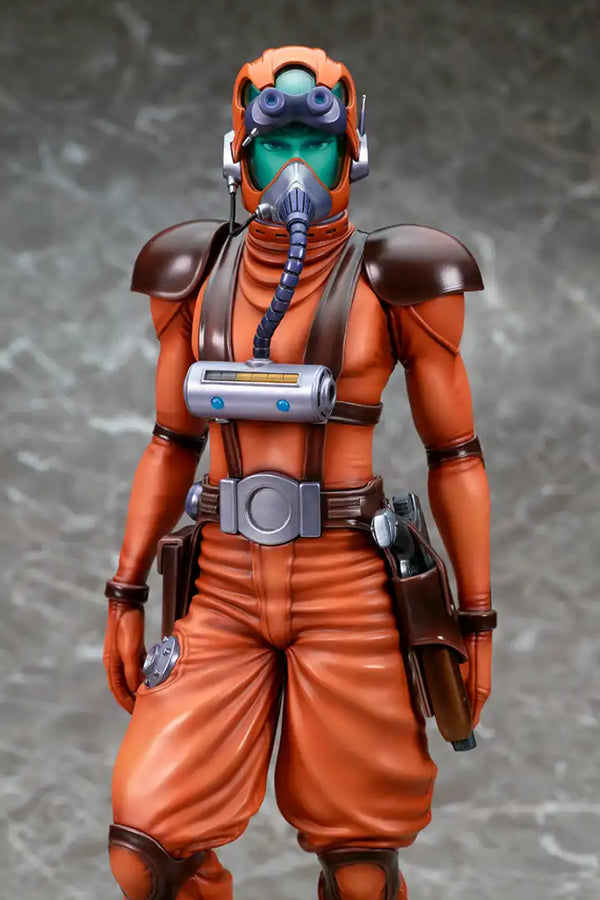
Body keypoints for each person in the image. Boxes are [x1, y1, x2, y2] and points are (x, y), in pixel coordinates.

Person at [103, 45, 495, 900]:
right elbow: (170, 442)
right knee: (146, 849)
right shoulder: (194, 273)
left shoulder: (401, 278)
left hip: (344, 584)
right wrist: (124, 594)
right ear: (237, 155)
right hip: (224, 586)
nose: (294, 170)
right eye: (274, 147)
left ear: (351, 151)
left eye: (313, 146)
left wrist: (476, 617)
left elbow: (455, 456)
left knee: (360, 869)